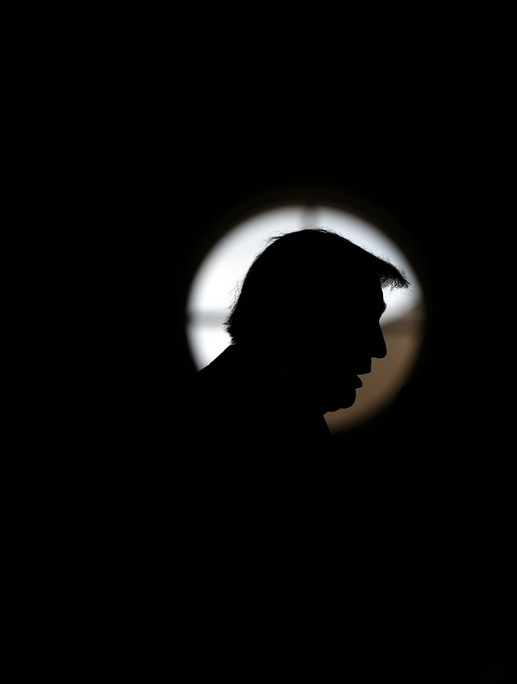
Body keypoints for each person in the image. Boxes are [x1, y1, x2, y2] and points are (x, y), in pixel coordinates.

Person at [182, 229, 414, 681]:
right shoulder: (258, 433)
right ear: (308, 320)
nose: (379, 348)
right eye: (362, 321)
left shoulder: (234, 414)